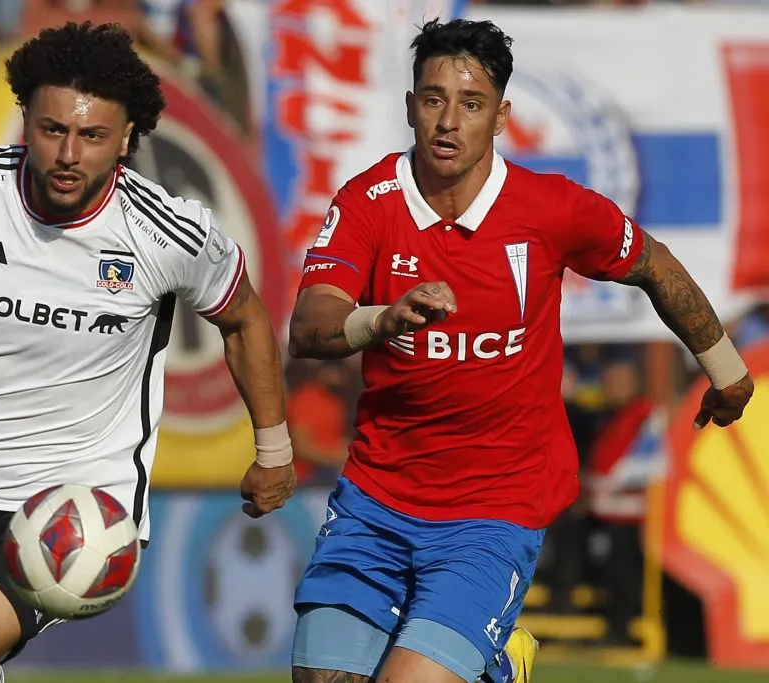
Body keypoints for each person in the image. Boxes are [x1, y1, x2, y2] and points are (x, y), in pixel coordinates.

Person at [0, 21, 296, 683]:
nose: (69, 153)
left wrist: (274, 450)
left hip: (74, 508)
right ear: (25, 121)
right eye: (52, 130)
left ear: (127, 137)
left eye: (93, 135)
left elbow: (244, 320)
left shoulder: (166, 233)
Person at [287, 18, 754, 683]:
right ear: (409, 105)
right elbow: (310, 324)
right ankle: (493, 662)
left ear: (502, 116)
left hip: (492, 510)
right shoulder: (369, 201)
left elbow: (655, 264)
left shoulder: (549, 208)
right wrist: (380, 319)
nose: (449, 121)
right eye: (432, 99)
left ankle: (494, 662)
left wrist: (728, 371)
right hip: (377, 497)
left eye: (471, 103)